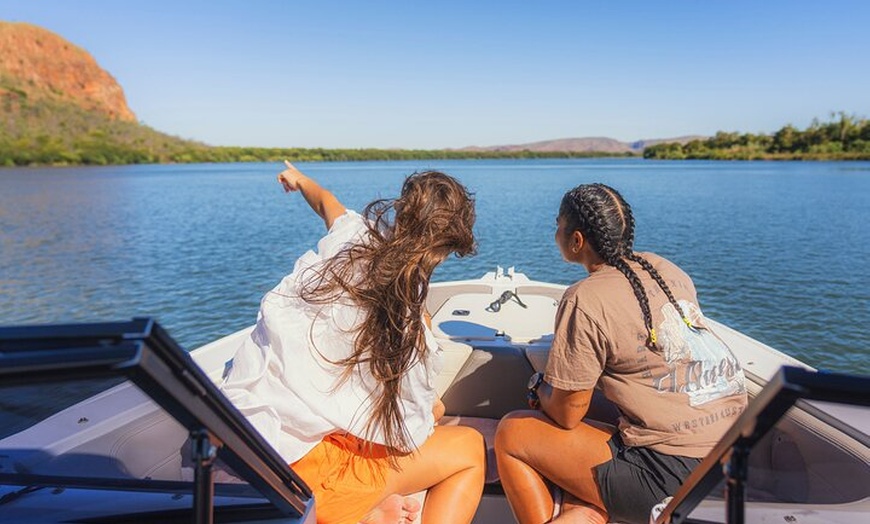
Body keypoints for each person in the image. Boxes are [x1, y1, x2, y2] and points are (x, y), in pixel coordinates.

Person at [220, 161, 485, 524]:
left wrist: (299, 179)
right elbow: (406, 431)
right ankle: (361, 508)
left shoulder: (351, 236)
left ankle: (375, 510)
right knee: (469, 448)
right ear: (446, 247)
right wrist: (433, 409)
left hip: (249, 449)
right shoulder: (405, 323)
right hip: (307, 476)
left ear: (401, 210)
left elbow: (325, 202)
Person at [494, 183, 748, 524]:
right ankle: (585, 510)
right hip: (736, 454)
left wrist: (539, 387)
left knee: (513, 433)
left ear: (577, 240)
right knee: (581, 472)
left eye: (558, 224)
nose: (555, 232)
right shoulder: (665, 268)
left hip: (676, 475)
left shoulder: (585, 298)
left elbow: (567, 414)